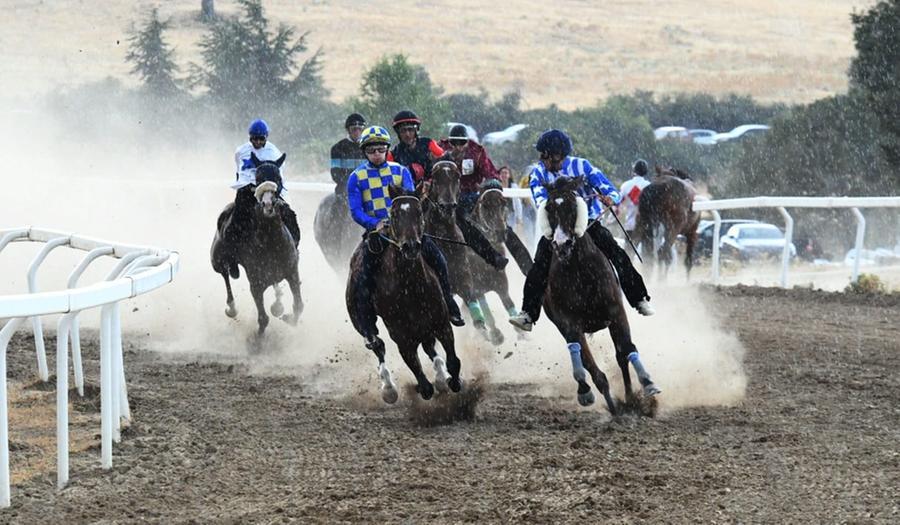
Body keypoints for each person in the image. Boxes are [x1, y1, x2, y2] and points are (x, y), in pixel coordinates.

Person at [509, 129, 654, 332]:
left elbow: (609, 188)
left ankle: (639, 298)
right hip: (557, 228)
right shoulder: (539, 173)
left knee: (616, 252)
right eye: (542, 155)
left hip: (589, 225)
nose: (542, 159)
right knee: (539, 265)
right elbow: (540, 200)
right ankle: (528, 314)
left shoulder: (582, 166)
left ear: (558, 154)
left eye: (545, 155)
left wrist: (610, 198)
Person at [347, 125, 465, 350]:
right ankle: (369, 328)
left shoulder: (400, 171)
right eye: (371, 150)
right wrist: (375, 224)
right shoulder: (356, 177)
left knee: (439, 260)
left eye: (381, 149)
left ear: (386, 149)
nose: (377, 154)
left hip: (406, 232)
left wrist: (409, 225)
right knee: (362, 277)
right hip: (378, 235)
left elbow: (413, 201)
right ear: (364, 152)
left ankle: (449, 303)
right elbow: (356, 210)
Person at [225, 119, 300, 279]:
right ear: (249, 137)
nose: (257, 142)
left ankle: (294, 249)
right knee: (234, 222)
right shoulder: (240, 151)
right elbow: (239, 172)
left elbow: (280, 179)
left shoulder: (274, 153)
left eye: (261, 139)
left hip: (269, 191)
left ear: (266, 137)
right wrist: (245, 189)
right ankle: (232, 259)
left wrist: (275, 193)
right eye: (254, 138)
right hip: (247, 192)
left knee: (289, 215)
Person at [387, 110, 444, 183]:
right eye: (403, 131)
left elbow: (444, 160)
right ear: (398, 133)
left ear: (416, 130)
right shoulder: (393, 155)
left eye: (410, 130)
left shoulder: (429, 144)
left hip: (431, 188)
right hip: (406, 191)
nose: (407, 134)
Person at [329, 113, 368, 198]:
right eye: (354, 129)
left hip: (367, 188)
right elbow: (335, 173)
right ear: (348, 130)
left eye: (360, 129)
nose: (357, 132)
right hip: (344, 190)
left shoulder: (369, 147)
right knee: (339, 207)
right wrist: (350, 184)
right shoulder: (337, 148)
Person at [618, 159, 652, 235]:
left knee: (627, 247)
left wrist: (610, 220)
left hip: (630, 226)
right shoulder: (650, 186)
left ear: (634, 170)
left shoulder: (625, 185)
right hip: (647, 227)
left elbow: (619, 205)